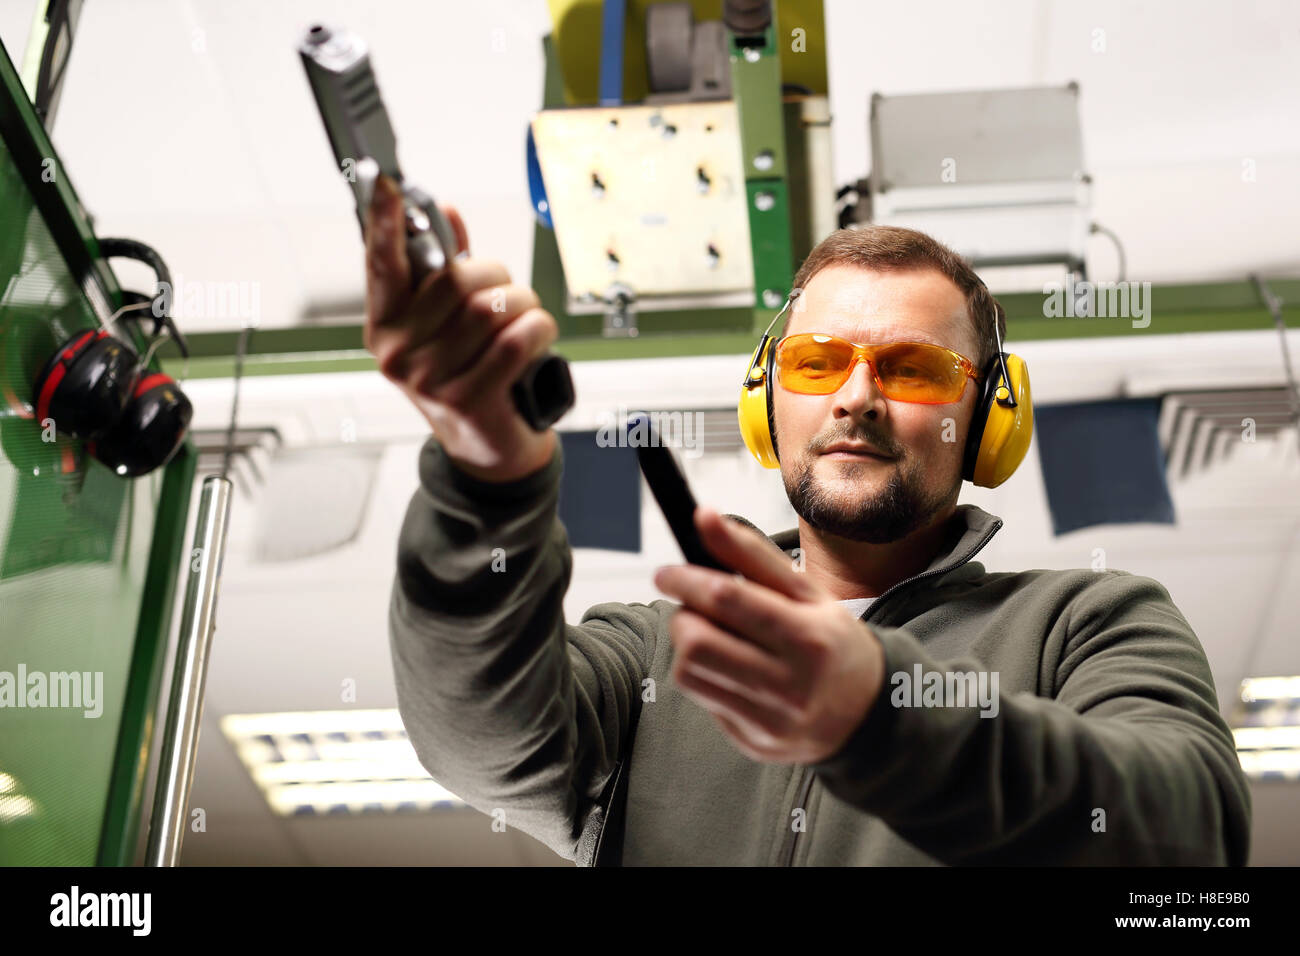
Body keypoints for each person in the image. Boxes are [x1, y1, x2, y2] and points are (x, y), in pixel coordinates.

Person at [365, 173, 1251, 865]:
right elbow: (477, 744)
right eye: (819, 361)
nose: (856, 397)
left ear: (988, 422)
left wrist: (879, 715)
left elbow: (1190, 839)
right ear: (767, 397)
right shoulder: (655, 653)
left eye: (913, 368)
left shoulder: (1087, 625)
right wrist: (486, 477)